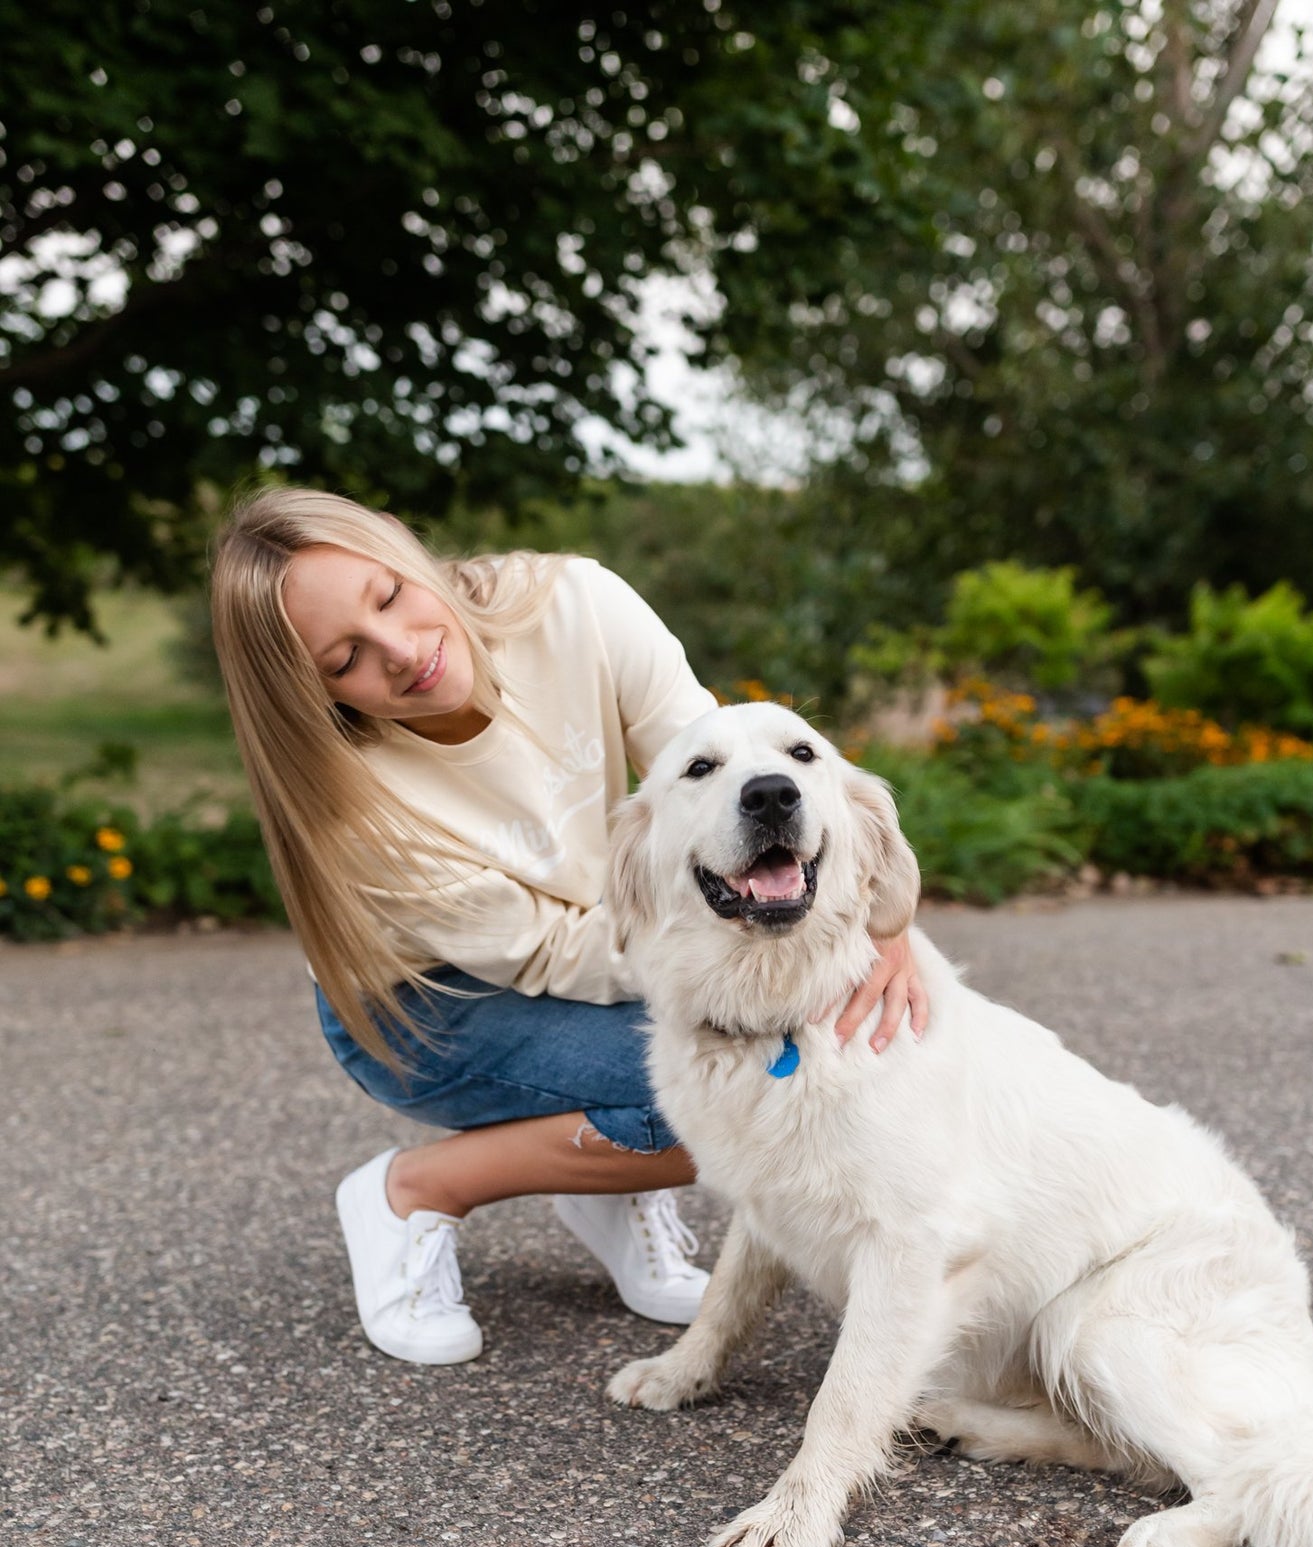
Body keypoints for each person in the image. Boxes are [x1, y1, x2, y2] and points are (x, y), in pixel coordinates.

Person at [209, 489, 927, 1367]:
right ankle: (413, 1190)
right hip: (426, 1012)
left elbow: (717, 769)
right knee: (724, 1085)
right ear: (306, 691)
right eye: (345, 657)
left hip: (621, 940)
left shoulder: (576, 604)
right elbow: (557, 953)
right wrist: (775, 991)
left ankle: (597, 1183)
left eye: (391, 596)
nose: (402, 652)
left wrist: (874, 919)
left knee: (808, 1045)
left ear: (405, 546)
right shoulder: (350, 806)